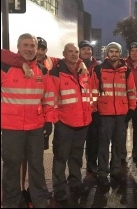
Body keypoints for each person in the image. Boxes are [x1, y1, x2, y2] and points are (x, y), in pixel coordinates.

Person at [1, 33, 57, 208]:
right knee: (11, 166)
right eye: (25, 45)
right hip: (11, 128)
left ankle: (39, 200)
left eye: (32, 46)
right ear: (18, 48)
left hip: (35, 127)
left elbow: (49, 98)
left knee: (36, 166)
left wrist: (49, 121)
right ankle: (11, 202)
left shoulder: (43, 70)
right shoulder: (5, 67)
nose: (29, 49)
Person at [50, 43, 93, 201]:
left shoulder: (83, 71)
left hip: (82, 122)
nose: (75, 54)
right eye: (71, 52)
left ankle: (75, 182)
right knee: (60, 157)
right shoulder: (56, 72)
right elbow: (51, 98)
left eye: (76, 52)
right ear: (64, 53)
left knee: (76, 156)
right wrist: (56, 120)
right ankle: (59, 187)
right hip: (64, 123)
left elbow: (88, 95)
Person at [91, 42, 137, 187]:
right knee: (103, 144)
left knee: (118, 144)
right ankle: (103, 173)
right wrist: (94, 111)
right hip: (104, 114)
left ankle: (116, 171)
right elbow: (92, 92)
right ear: (107, 53)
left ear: (120, 53)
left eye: (116, 51)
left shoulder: (126, 71)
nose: (114, 54)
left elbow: (131, 91)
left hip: (121, 114)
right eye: (111, 51)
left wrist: (131, 109)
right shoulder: (98, 70)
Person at [78, 40, 101, 175]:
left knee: (94, 139)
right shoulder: (74, 66)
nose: (87, 51)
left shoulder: (97, 67)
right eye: (84, 49)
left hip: (94, 109)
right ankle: (77, 167)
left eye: (89, 49)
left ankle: (92, 163)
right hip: (79, 109)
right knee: (79, 141)